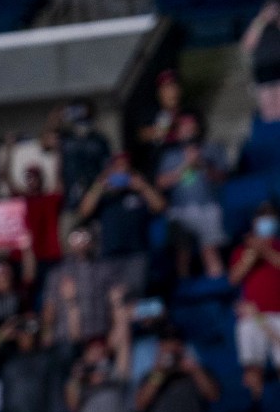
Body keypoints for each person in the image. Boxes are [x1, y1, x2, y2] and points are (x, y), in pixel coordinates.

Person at [77, 152, 167, 296]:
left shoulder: (138, 194)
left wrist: (143, 187)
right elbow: (84, 212)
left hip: (136, 255)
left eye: (125, 168)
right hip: (109, 255)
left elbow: (160, 206)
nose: (121, 171)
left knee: (134, 297)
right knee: (111, 299)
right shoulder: (104, 197)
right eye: (117, 168)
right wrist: (99, 186)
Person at [133, 323, 219, 412]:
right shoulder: (152, 376)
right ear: (160, 347)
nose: (172, 348)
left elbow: (213, 396)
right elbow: (140, 404)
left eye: (176, 343)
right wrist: (160, 372)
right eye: (167, 343)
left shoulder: (196, 372)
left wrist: (195, 370)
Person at [155, 115, 227, 279]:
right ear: (178, 132)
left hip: (208, 207)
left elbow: (223, 176)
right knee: (182, 254)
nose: (188, 132)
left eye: (192, 128)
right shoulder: (170, 155)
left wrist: (203, 165)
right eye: (184, 128)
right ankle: (185, 292)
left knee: (210, 251)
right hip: (180, 210)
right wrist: (184, 167)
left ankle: (218, 287)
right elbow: (161, 183)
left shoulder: (212, 149)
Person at [230, 202, 280, 371]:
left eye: (271, 219)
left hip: (278, 313)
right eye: (263, 219)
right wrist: (251, 255)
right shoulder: (243, 249)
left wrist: (265, 250)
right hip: (253, 314)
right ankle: (255, 398)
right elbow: (234, 278)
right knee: (252, 366)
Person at [242, 0, 280, 124]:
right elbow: (248, 45)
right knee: (268, 111)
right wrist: (262, 19)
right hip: (263, 68)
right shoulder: (257, 24)